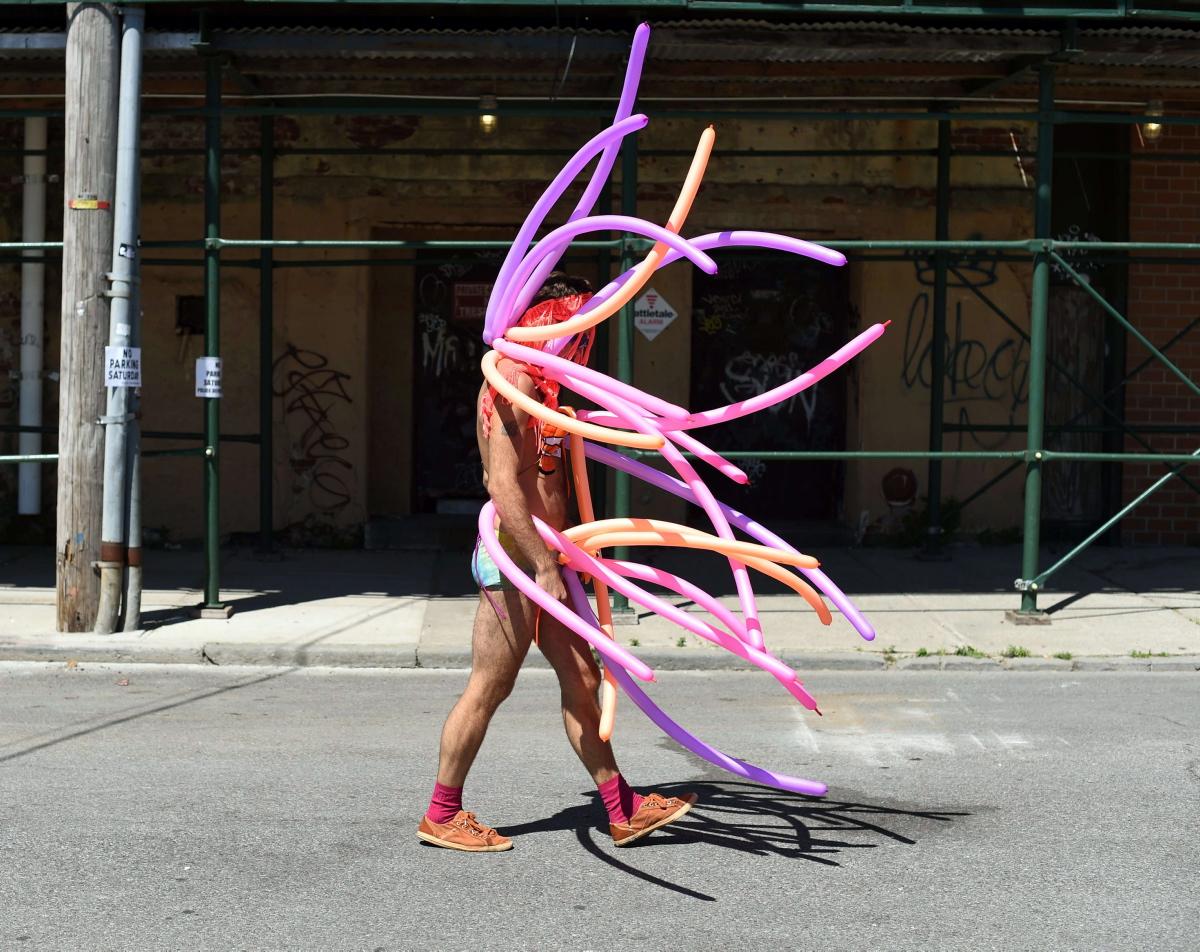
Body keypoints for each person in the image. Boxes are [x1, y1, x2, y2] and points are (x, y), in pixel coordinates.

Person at [418, 273, 696, 853]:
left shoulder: (545, 391)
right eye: (574, 328)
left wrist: (570, 556)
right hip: (519, 566)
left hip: (553, 562)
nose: (581, 344)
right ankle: (442, 813)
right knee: (490, 686)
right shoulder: (507, 385)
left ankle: (622, 809)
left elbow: (547, 479)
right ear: (545, 320)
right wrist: (544, 565)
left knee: (584, 679)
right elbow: (502, 485)